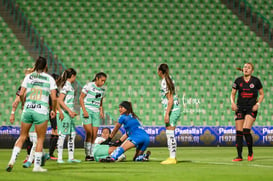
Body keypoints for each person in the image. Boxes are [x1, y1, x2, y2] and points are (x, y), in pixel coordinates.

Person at [6, 56, 57, 172]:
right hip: (41, 110)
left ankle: (12, 161)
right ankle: (37, 167)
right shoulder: (49, 79)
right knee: (40, 139)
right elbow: (54, 98)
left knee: (22, 136)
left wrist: (24, 104)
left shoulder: (28, 77)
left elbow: (21, 94)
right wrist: (53, 109)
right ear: (45, 66)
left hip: (28, 109)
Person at [231, 63, 264, 162]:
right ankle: (239, 156)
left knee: (246, 130)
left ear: (252, 71)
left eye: (248, 68)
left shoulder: (256, 81)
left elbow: (262, 94)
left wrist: (257, 104)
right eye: (245, 67)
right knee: (239, 132)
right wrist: (232, 103)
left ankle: (250, 152)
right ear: (243, 69)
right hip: (240, 108)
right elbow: (232, 94)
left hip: (251, 108)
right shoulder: (238, 81)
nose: (246, 69)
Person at [79, 72, 107, 161]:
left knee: (94, 134)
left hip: (96, 112)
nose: (103, 83)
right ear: (97, 79)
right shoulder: (88, 86)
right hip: (87, 110)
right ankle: (87, 154)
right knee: (89, 132)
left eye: (104, 81)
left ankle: (91, 154)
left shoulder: (102, 90)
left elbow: (100, 102)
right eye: (102, 80)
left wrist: (101, 111)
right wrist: (84, 111)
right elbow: (81, 98)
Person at [157, 63, 181, 164]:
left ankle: (172, 158)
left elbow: (170, 99)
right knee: (170, 132)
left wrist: (167, 114)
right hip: (175, 108)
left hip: (172, 109)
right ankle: (172, 157)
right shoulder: (169, 78)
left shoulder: (164, 82)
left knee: (170, 133)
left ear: (160, 71)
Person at [56, 68, 81, 163]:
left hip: (69, 114)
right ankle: (59, 158)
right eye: (75, 76)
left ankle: (71, 158)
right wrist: (69, 111)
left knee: (72, 134)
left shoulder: (68, 85)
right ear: (73, 76)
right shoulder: (66, 85)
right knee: (62, 135)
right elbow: (60, 100)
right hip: (64, 114)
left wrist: (71, 111)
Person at [9, 68, 34, 164]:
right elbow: (16, 101)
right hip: (32, 112)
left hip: (30, 112)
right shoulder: (25, 87)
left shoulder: (28, 86)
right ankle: (31, 156)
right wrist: (12, 113)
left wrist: (12, 113)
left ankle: (33, 156)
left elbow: (16, 101)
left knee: (29, 135)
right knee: (28, 135)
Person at [48, 73, 60, 160]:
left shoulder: (47, 87)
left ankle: (50, 153)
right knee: (56, 131)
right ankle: (51, 154)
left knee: (53, 131)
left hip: (47, 111)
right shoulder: (53, 89)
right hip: (53, 111)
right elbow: (55, 100)